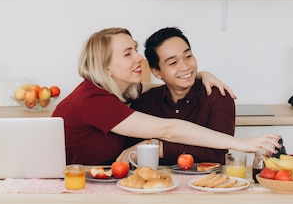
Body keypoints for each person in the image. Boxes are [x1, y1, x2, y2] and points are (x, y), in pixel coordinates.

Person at [52, 27, 280, 165]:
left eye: (136, 49)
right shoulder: (94, 100)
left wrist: (200, 74)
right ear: (106, 67)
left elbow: (161, 85)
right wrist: (242, 144)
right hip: (70, 184)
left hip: (97, 179)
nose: (138, 58)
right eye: (127, 53)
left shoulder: (123, 92)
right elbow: (168, 130)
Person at [120, 27, 235, 165]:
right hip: (155, 183)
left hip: (206, 183)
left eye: (188, 56)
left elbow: (216, 155)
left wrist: (159, 147)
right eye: (173, 63)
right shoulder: (144, 102)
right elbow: (132, 153)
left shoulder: (218, 97)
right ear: (156, 72)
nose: (185, 66)